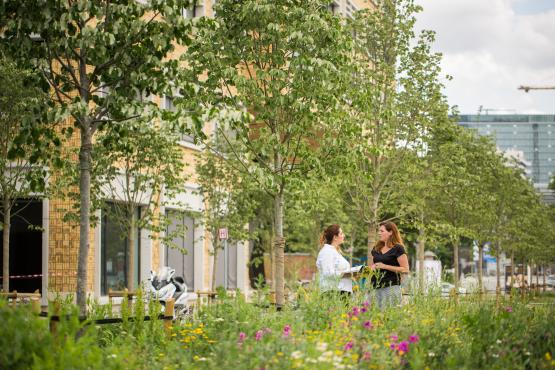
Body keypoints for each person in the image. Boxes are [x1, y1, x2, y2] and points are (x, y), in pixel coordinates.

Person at [369, 221, 409, 308]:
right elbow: (372, 265)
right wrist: (370, 269)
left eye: (382, 231)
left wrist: (385, 266)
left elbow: (405, 269)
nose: (379, 233)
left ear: (390, 232)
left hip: (391, 288)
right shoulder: (376, 248)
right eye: (378, 231)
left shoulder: (398, 248)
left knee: (388, 317)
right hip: (374, 287)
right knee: (373, 317)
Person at [316, 224, 354, 296]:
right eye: (341, 233)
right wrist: (344, 274)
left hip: (341, 292)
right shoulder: (327, 252)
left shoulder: (334, 252)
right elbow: (328, 273)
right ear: (335, 237)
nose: (344, 235)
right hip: (333, 293)